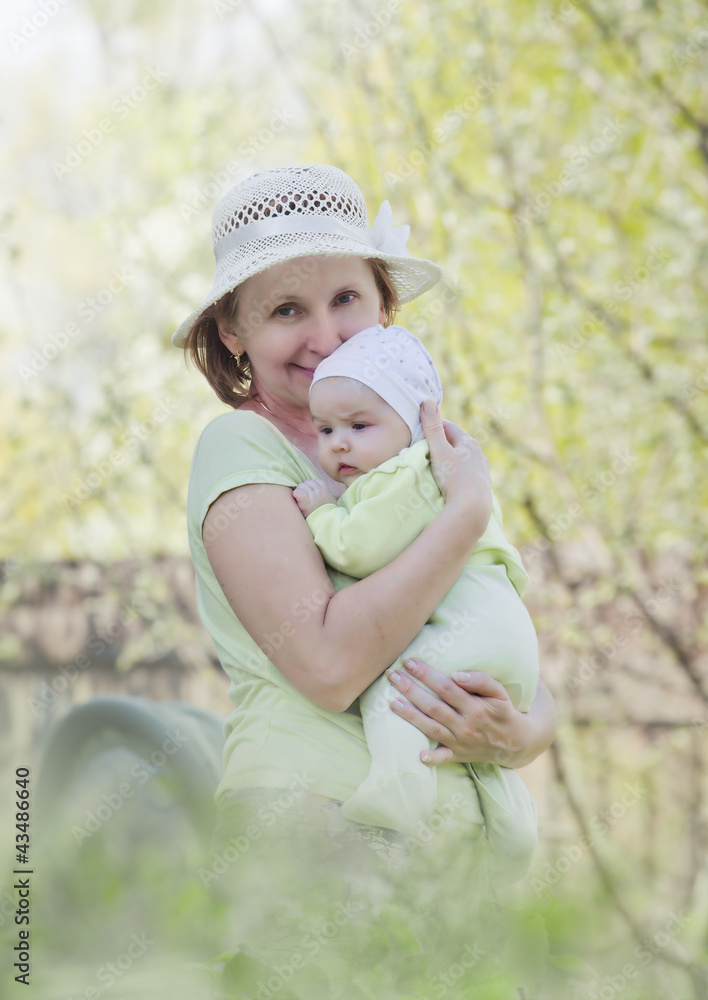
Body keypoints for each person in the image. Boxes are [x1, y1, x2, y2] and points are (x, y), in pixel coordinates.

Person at [173, 163, 557, 993]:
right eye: (285, 310)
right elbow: (326, 664)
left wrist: (527, 733)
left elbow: (502, 627)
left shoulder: (414, 452)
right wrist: (461, 513)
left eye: (346, 298)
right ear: (233, 332)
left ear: (384, 302)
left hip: (448, 854)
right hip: (313, 830)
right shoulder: (240, 452)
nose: (326, 334)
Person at [291, 322, 539, 883]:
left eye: (359, 425)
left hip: (468, 624)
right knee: (462, 741)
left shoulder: (408, 471)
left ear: (412, 425)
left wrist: (321, 513)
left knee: (396, 691)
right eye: (325, 429)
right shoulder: (446, 475)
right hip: (507, 639)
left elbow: (360, 548)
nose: (339, 443)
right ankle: (515, 828)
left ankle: (390, 803)